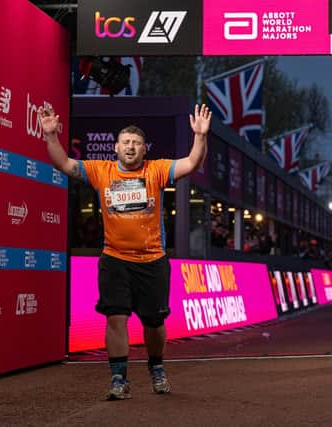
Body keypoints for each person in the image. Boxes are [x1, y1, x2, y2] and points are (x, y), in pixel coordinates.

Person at [40, 104, 212, 400]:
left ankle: (156, 366)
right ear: (116, 148)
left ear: (144, 149)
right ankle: (119, 378)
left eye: (135, 143)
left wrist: (200, 136)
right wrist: (51, 135)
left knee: (154, 323)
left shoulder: (156, 170)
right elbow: (64, 164)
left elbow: (193, 163)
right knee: (115, 318)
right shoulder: (100, 171)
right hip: (115, 260)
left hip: (153, 261)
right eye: (125, 143)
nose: (130, 147)